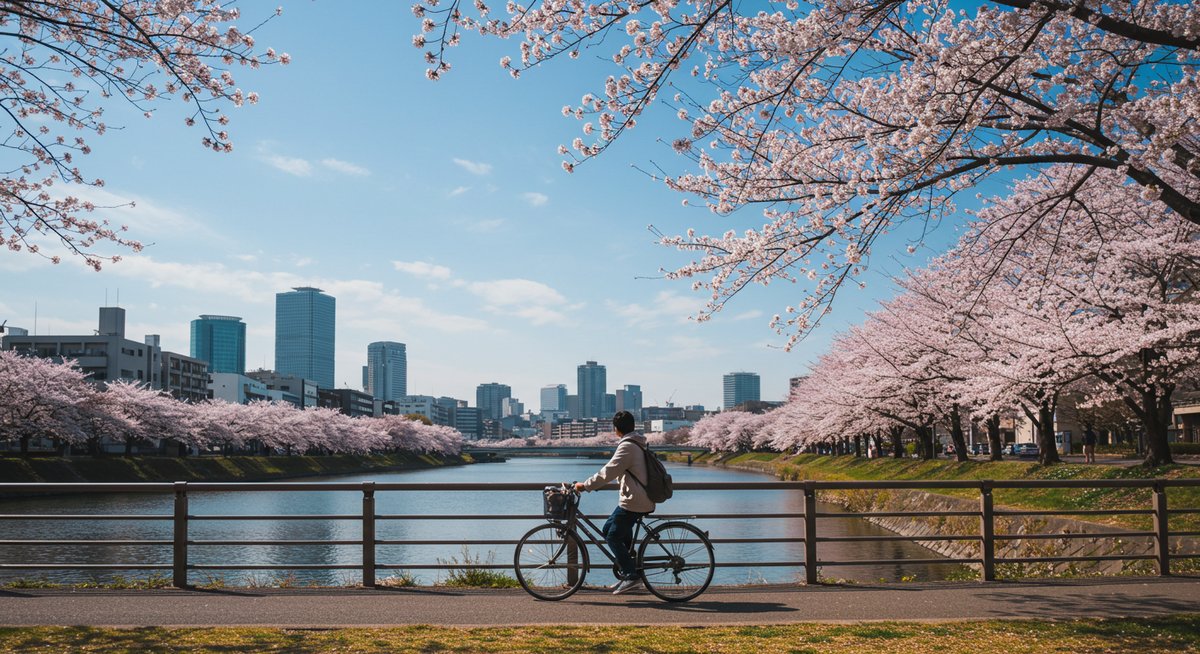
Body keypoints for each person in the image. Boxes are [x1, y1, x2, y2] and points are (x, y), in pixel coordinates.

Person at [574, 410, 654, 595]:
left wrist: (585, 486)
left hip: (634, 501)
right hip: (635, 498)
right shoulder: (637, 443)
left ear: (616, 428)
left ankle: (631, 575)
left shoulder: (627, 446)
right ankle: (629, 569)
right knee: (608, 529)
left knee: (612, 537)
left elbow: (608, 472)